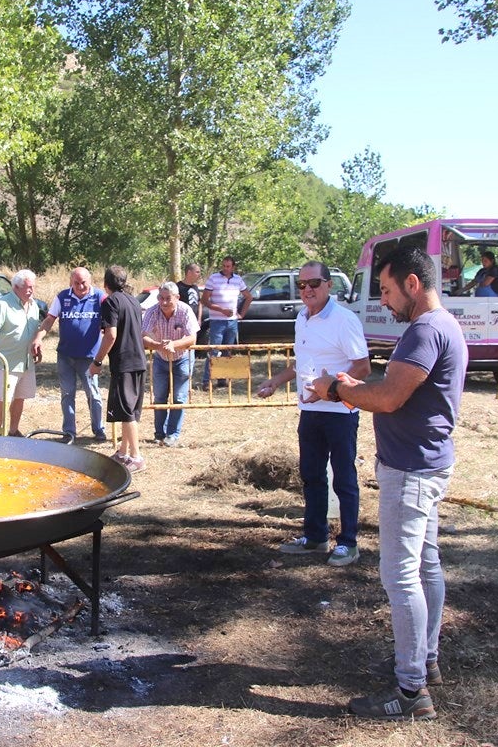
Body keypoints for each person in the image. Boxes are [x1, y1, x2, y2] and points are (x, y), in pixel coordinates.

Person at [308, 245, 467, 722]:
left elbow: (392, 397)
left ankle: (412, 690)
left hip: (411, 470)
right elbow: (398, 388)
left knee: (400, 576)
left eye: (386, 289)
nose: (384, 300)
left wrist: (337, 390)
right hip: (428, 463)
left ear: (412, 285)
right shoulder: (442, 326)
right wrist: (354, 387)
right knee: (427, 565)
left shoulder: (424, 331)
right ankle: (426, 662)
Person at [257, 262, 370, 568]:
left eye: (314, 283)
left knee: (344, 478)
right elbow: (301, 363)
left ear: (329, 285)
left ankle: (348, 542)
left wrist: (329, 389)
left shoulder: (344, 320)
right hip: (309, 411)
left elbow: (362, 367)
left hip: (339, 413)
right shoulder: (302, 318)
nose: (307, 290)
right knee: (311, 474)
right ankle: (315, 537)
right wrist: (276, 381)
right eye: (301, 285)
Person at [32, 267, 107, 443]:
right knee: (67, 394)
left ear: (90, 281)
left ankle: (99, 429)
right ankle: (69, 432)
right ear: (70, 282)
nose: (80, 287)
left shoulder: (100, 297)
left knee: (93, 394)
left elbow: (110, 324)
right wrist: (39, 337)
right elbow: (49, 319)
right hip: (66, 356)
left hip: (89, 357)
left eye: (84, 283)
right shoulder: (62, 297)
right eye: (76, 283)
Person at [91, 265, 146, 471]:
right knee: (128, 411)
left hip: (125, 363)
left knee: (127, 411)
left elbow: (111, 335)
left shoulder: (111, 302)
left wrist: (97, 362)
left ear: (106, 285)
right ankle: (123, 453)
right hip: (139, 361)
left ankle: (137, 457)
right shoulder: (133, 300)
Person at [0, 269, 43, 436]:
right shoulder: (3, 304)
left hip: (26, 361)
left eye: (33, 287)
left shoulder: (34, 306)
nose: (31, 290)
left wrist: (37, 347)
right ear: (16, 287)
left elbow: (35, 331)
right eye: (27, 287)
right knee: (2, 399)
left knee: (20, 398)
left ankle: (13, 430)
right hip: (6, 362)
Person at [141, 281, 199, 448]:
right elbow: (143, 335)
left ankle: (172, 434)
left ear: (177, 297)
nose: (164, 302)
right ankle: (159, 433)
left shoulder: (185, 310)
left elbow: (192, 338)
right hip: (160, 358)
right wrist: (157, 345)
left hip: (183, 358)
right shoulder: (153, 311)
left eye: (168, 298)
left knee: (179, 399)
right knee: (159, 397)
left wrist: (174, 344)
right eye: (161, 298)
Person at [199, 256, 252, 389]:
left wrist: (241, 314)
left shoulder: (238, 279)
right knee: (214, 350)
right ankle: (207, 380)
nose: (225, 269)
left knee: (228, 351)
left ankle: (222, 378)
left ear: (233, 267)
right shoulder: (213, 278)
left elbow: (248, 297)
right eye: (223, 266)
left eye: (228, 266)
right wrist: (221, 309)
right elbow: (204, 300)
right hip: (217, 320)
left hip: (232, 321)